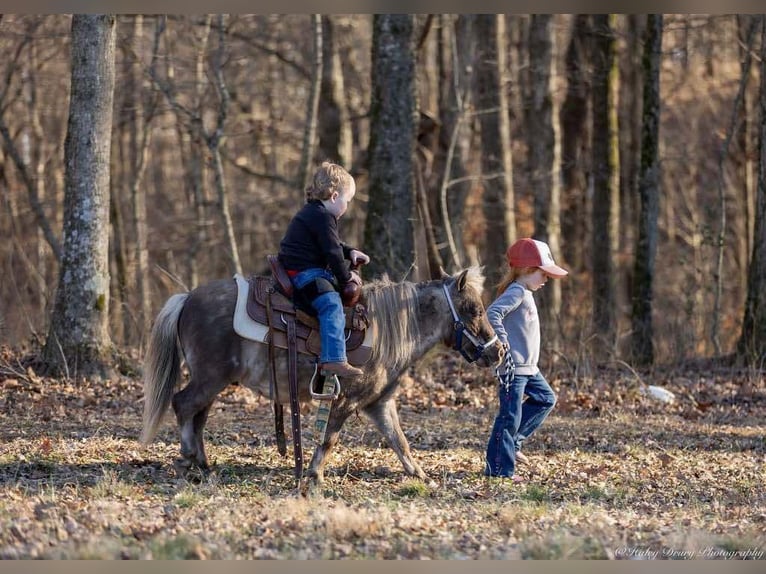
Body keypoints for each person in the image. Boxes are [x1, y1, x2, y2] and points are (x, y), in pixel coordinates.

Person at [484, 238, 568, 482]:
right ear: (527, 270)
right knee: (509, 417)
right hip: (513, 368)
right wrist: (503, 342)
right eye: (543, 274)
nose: (546, 280)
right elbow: (492, 313)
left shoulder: (525, 292)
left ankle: (515, 442)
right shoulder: (517, 291)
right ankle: (499, 470)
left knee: (546, 399)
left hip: (529, 368)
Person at [278, 162, 370, 377]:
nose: (348, 207)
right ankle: (334, 359)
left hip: (306, 269)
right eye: (348, 201)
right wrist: (348, 278)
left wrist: (351, 252)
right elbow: (331, 252)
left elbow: (333, 244)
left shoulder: (316, 212)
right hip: (304, 273)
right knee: (331, 305)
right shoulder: (322, 217)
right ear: (335, 196)